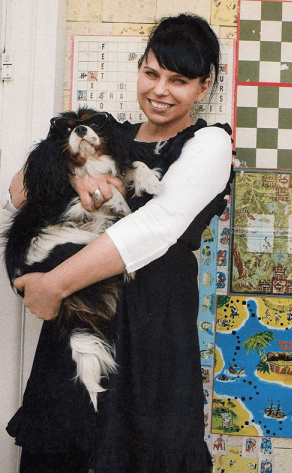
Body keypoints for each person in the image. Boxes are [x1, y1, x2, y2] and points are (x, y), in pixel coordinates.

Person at [6, 13, 233, 473]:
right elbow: (19, 192)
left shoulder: (207, 144)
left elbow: (156, 225)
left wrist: (53, 285)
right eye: (151, 73)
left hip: (153, 333)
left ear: (204, 86)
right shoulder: (110, 134)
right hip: (80, 322)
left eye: (179, 80)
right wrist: (75, 177)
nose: (160, 90)